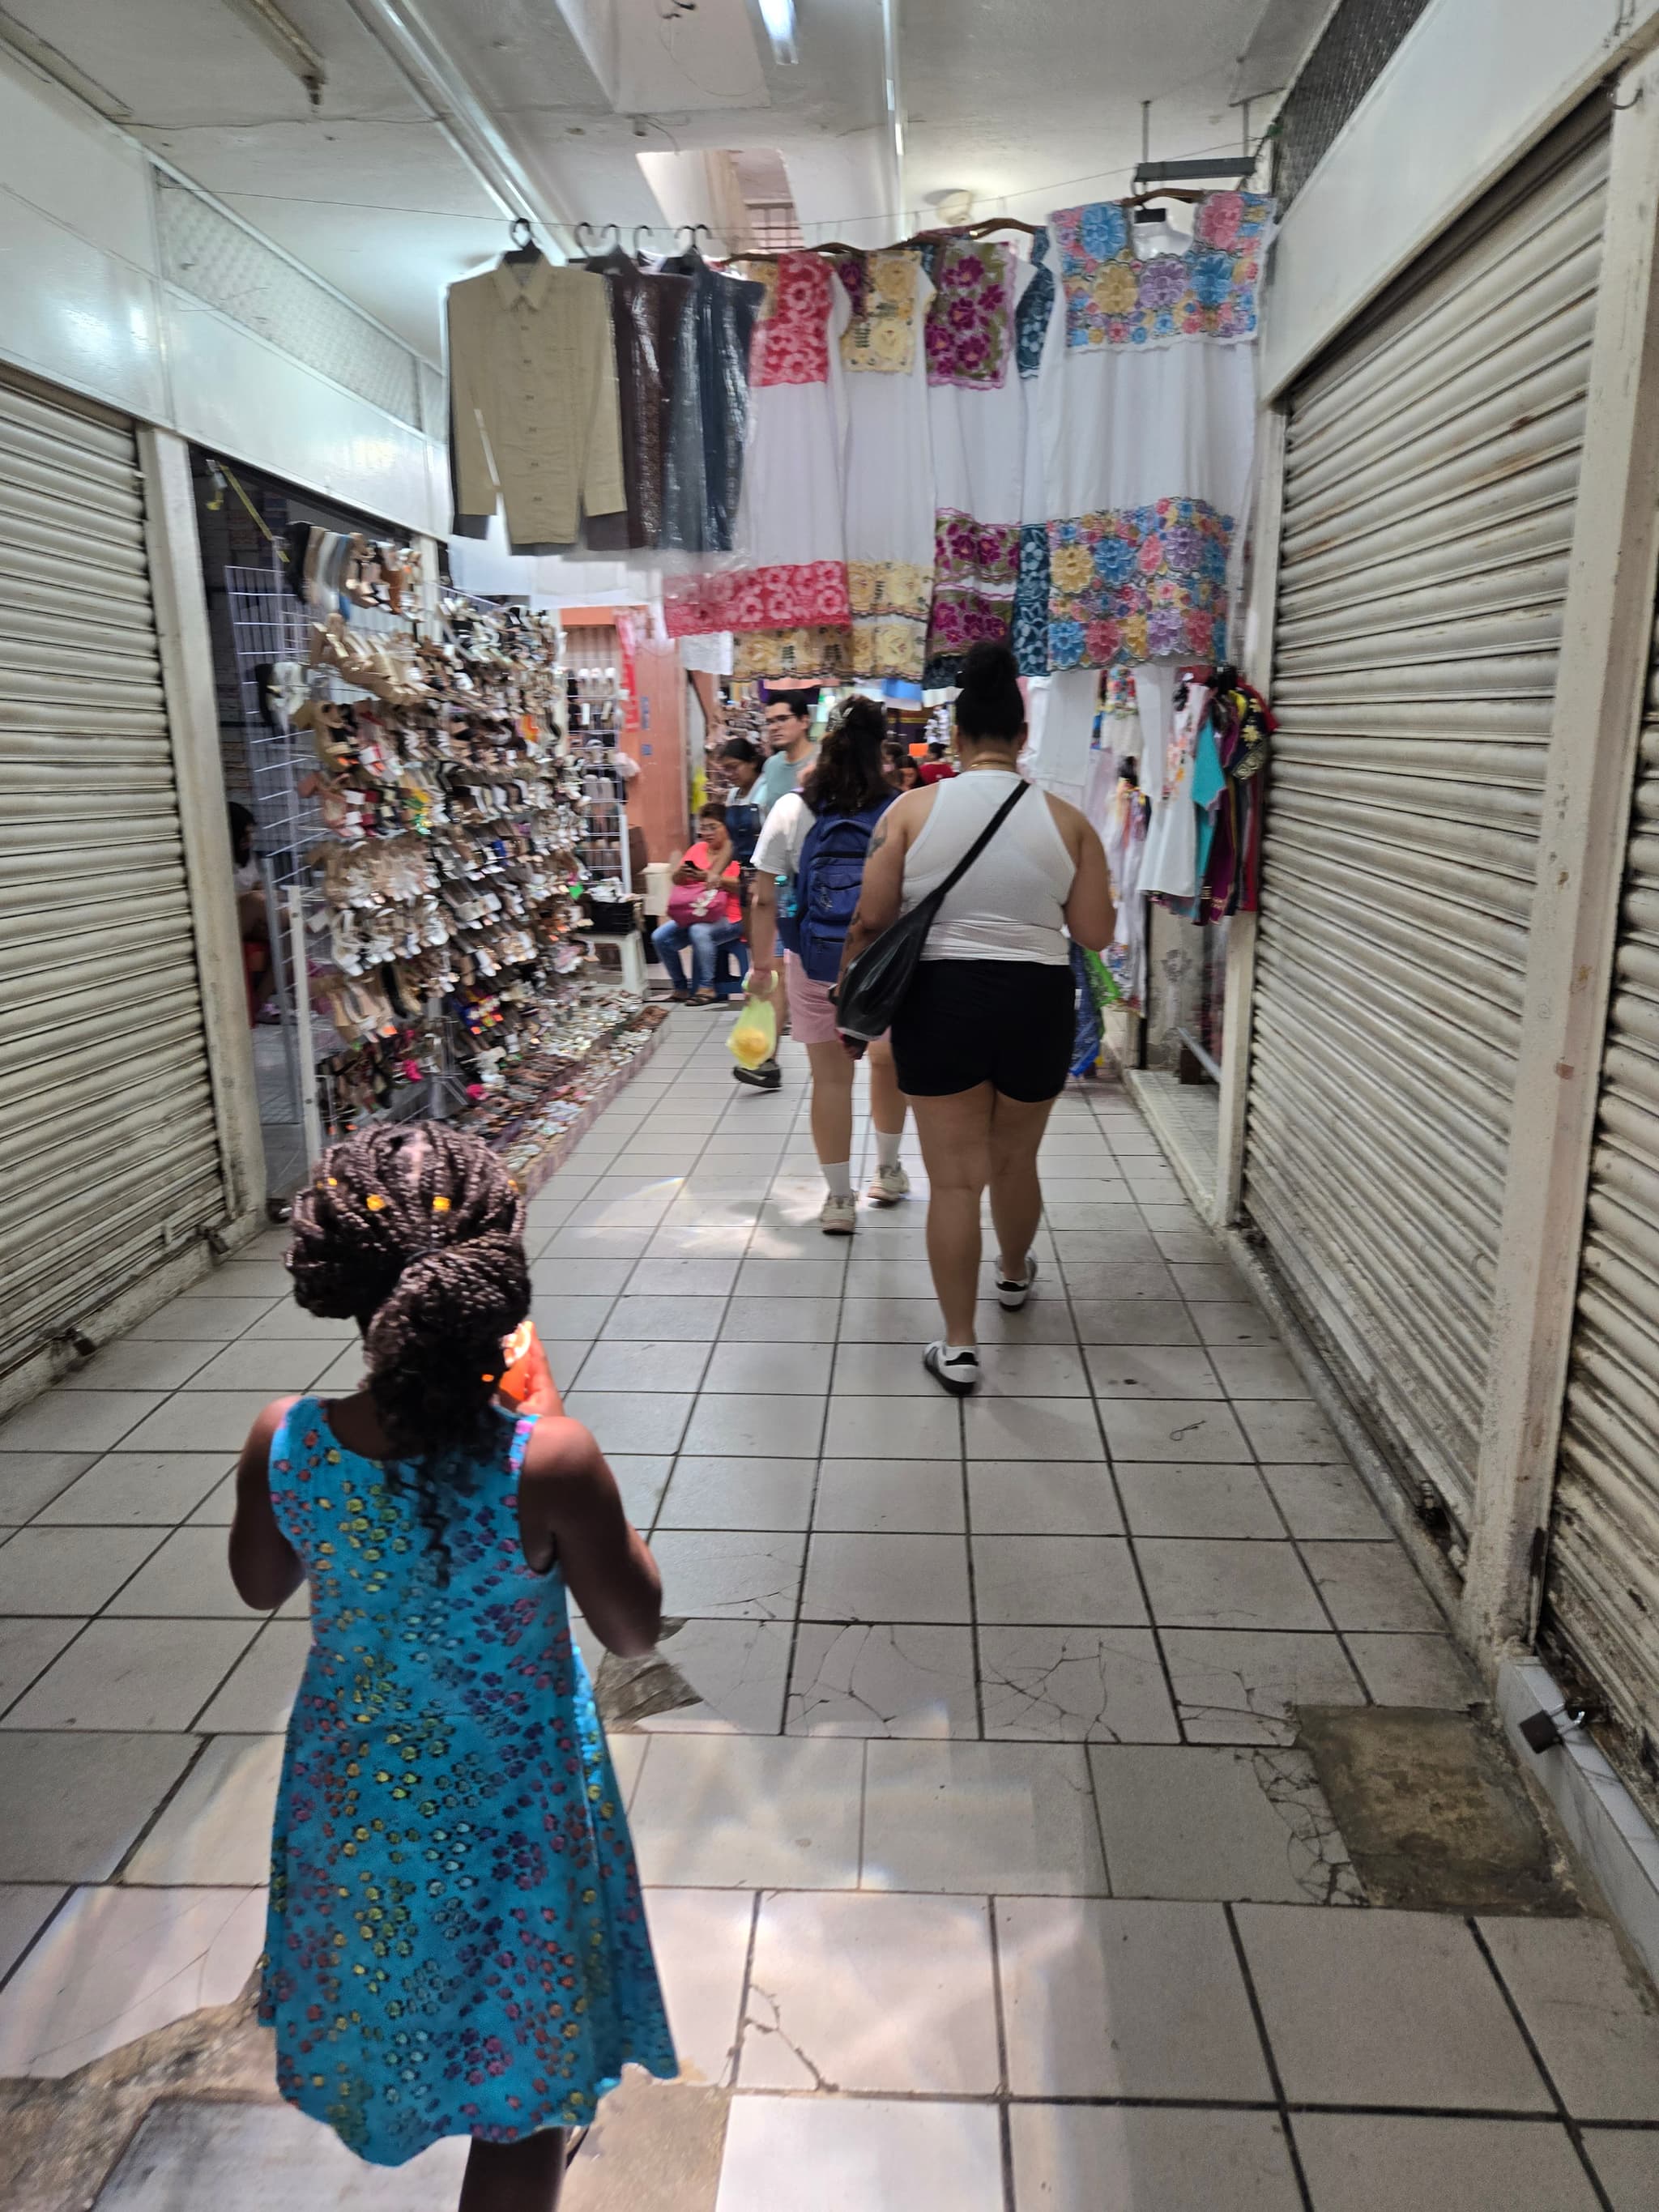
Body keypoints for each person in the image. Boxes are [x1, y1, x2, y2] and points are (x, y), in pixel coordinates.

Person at [228, 1122, 675, 2208]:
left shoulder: (288, 1437)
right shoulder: (546, 1459)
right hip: (515, 1815)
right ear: (493, 1286)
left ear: (336, 1282)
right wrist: (545, 1415)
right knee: (520, 2088)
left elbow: (258, 1581)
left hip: (358, 1805)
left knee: (393, 2005)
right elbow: (633, 1628)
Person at [842, 641, 1113, 1389]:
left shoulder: (909, 811)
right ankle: (1015, 1273)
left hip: (941, 1000)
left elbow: (871, 918)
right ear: (1023, 737)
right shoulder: (1070, 821)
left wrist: (849, 1000)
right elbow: (1094, 933)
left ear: (956, 736)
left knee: (955, 1179)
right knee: (1015, 1159)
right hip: (1037, 1001)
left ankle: (959, 1346)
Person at [749, 697, 910, 1232]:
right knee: (887, 1064)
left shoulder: (793, 808)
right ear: (881, 748)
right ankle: (888, 1171)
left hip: (814, 961)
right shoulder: (901, 809)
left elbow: (763, 896)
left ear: (825, 742)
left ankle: (839, 1200)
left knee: (830, 1081)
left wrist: (761, 966)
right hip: (884, 964)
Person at [652, 803, 745, 1003]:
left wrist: (709, 877)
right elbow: (677, 881)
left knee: (699, 931)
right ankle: (680, 987)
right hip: (696, 913)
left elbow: (742, 887)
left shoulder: (737, 853)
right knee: (660, 936)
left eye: (713, 827)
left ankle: (706, 987)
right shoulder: (697, 849)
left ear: (726, 827)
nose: (707, 833)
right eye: (704, 828)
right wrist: (680, 873)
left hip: (732, 917)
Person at [228, 801, 271, 1023]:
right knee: (257, 901)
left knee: (287, 938)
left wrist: (260, 889)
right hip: (230, 918)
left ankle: (259, 1002)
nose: (250, 839)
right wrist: (252, 894)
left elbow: (256, 884)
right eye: (245, 834)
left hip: (253, 918)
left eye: (251, 833)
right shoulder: (219, 858)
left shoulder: (248, 857)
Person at [753, 689, 818, 814]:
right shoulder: (771, 765)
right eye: (770, 722)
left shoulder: (824, 760)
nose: (773, 727)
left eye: (782, 719)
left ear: (804, 721)